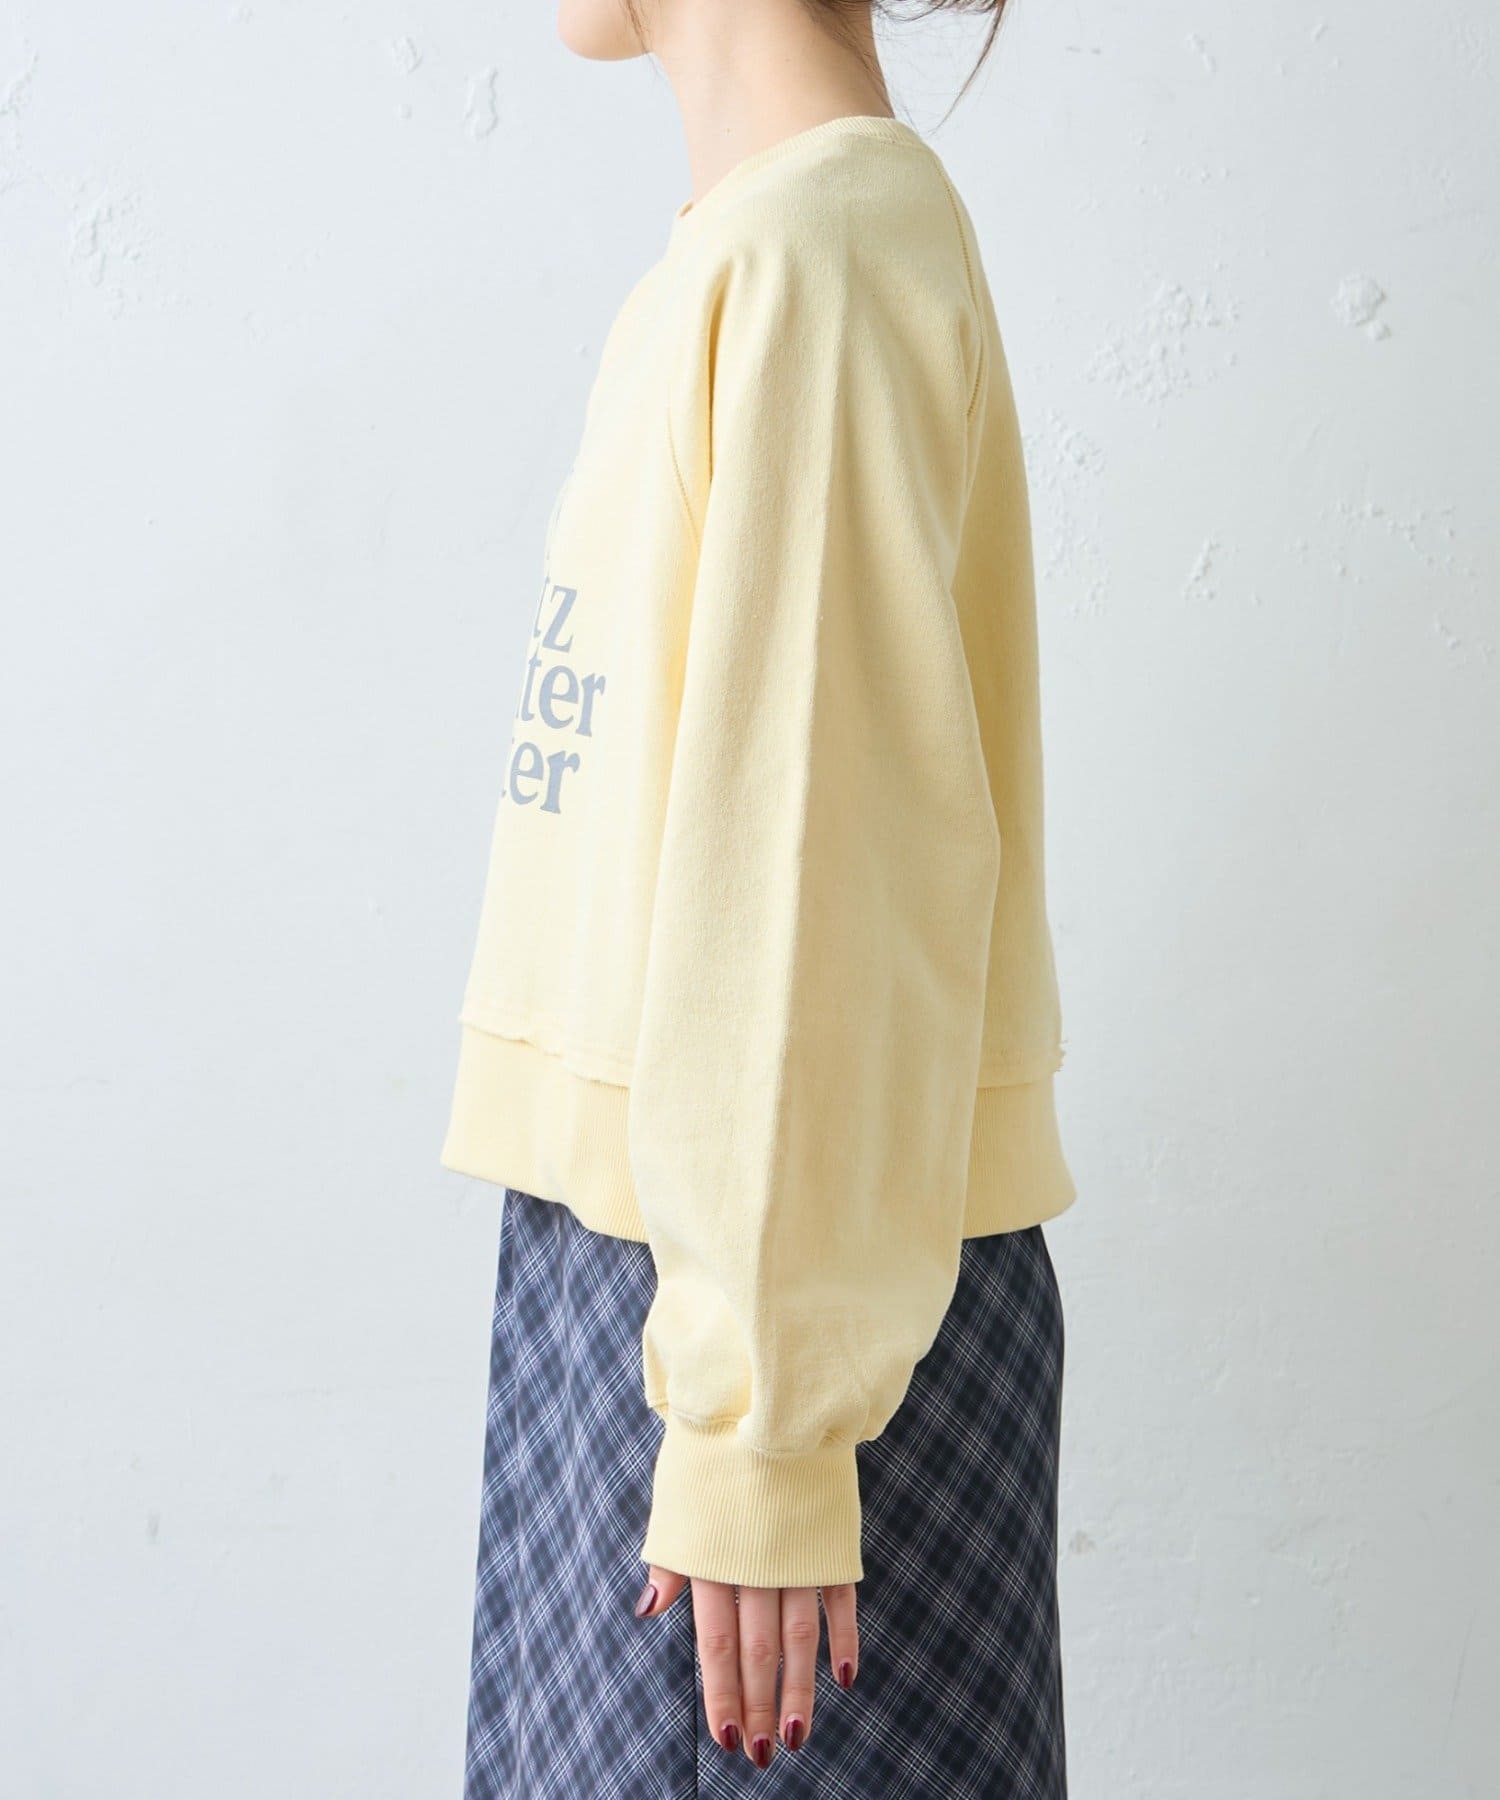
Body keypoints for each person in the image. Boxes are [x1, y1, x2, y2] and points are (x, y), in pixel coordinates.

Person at [441, 1, 1076, 1791]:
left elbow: (822, 865)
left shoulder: (820, 255)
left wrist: (765, 1434)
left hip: (780, 1316)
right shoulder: (766, 244)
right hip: (701, 1277)